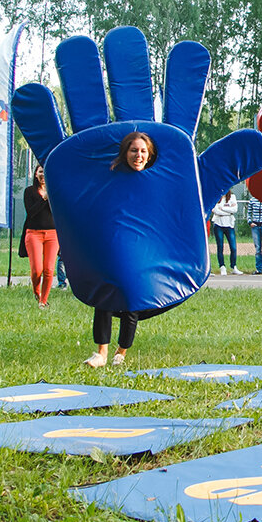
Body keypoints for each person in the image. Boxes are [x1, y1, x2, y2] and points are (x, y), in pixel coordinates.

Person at [85, 132, 156, 367]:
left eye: (143, 151)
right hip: (114, 245)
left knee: (132, 300)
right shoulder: (112, 177)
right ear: (125, 152)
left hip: (142, 247)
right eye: (134, 150)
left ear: (149, 155)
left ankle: (121, 352)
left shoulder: (156, 179)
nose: (138, 155)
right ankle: (101, 353)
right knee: (105, 296)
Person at [21, 163, 59, 309]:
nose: (43, 176)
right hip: (34, 234)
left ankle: (43, 301)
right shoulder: (29, 192)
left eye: (45, 172)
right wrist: (44, 198)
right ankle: (36, 291)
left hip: (53, 234)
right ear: (36, 174)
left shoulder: (55, 192)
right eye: (40, 172)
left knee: (49, 269)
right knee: (37, 270)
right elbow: (31, 212)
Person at [211, 191, 241, 275]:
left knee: (233, 247)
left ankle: (234, 266)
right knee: (220, 247)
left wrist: (223, 209)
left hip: (229, 225)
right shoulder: (216, 196)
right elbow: (215, 210)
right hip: (218, 224)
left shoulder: (232, 197)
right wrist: (228, 211)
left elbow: (234, 210)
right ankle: (222, 266)